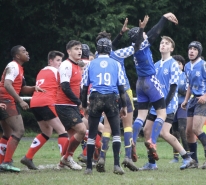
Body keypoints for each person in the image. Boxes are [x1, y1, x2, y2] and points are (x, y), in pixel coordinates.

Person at [96, 17, 148, 172]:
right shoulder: (118, 54)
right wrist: (141, 30)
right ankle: (127, 157)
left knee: (107, 126)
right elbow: (136, 47)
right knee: (127, 126)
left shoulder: (97, 58)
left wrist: (120, 34)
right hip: (124, 90)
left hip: (107, 93)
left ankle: (102, 158)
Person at [130, 12, 178, 161]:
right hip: (150, 81)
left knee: (140, 116)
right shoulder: (144, 45)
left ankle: (131, 141)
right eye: (143, 33)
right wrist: (164, 18)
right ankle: (153, 141)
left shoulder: (133, 47)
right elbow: (154, 33)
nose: (146, 34)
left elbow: (148, 35)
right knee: (161, 114)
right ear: (141, 37)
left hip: (140, 83)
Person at [140, 36, 193, 171]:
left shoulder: (173, 64)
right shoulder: (156, 65)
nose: (163, 45)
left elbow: (173, 87)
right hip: (156, 104)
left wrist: (164, 104)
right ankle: (152, 163)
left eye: (167, 43)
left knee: (164, 132)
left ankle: (187, 158)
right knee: (147, 129)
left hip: (168, 104)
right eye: (162, 43)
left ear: (171, 48)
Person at [81, 37, 127, 175]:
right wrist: (124, 106)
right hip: (111, 98)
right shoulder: (116, 64)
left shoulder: (90, 64)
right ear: (109, 49)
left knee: (92, 133)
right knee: (116, 133)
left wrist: (84, 105)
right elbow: (121, 87)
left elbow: (84, 87)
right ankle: (117, 165)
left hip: (95, 98)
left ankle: (89, 167)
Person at [20, 51, 70, 170]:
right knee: (63, 132)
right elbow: (65, 86)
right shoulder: (56, 72)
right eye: (57, 60)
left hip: (35, 102)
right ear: (50, 61)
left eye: (61, 61)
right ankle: (64, 162)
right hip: (46, 102)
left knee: (46, 132)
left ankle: (28, 157)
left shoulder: (42, 71)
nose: (60, 63)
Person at [0, 45, 44, 172]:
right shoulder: (13, 66)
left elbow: (21, 88)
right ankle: (7, 162)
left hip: (3, 100)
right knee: (19, 130)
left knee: (7, 133)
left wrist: (33, 88)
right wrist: (20, 101)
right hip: (6, 100)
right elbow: (7, 85)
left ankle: (2, 163)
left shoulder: (19, 68)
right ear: (18, 56)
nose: (27, 52)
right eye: (24, 51)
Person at [181, 41, 206, 169]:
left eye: (195, 49)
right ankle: (194, 161)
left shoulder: (204, 65)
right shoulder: (187, 66)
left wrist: (205, 96)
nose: (191, 51)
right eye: (190, 49)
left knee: (197, 129)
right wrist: (186, 99)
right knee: (188, 132)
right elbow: (189, 85)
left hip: (205, 100)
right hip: (193, 100)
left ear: (199, 52)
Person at [55, 40, 87, 170]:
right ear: (68, 51)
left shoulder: (77, 66)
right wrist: (79, 102)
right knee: (82, 130)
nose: (79, 51)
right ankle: (67, 158)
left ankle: (63, 163)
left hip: (71, 105)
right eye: (75, 49)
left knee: (72, 134)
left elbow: (76, 88)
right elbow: (65, 87)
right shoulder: (66, 65)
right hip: (64, 104)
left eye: (80, 48)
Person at [169, 55, 189, 163]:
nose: (177, 65)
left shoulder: (185, 76)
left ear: (183, 65)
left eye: (179, 63)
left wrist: (176, 88)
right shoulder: (169, 76)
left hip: (183, 105)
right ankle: (176, 156)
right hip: (172, 106)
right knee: (174, 131)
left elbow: (187, 91)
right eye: (175, 63)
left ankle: (187, 153)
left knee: (182, 129)